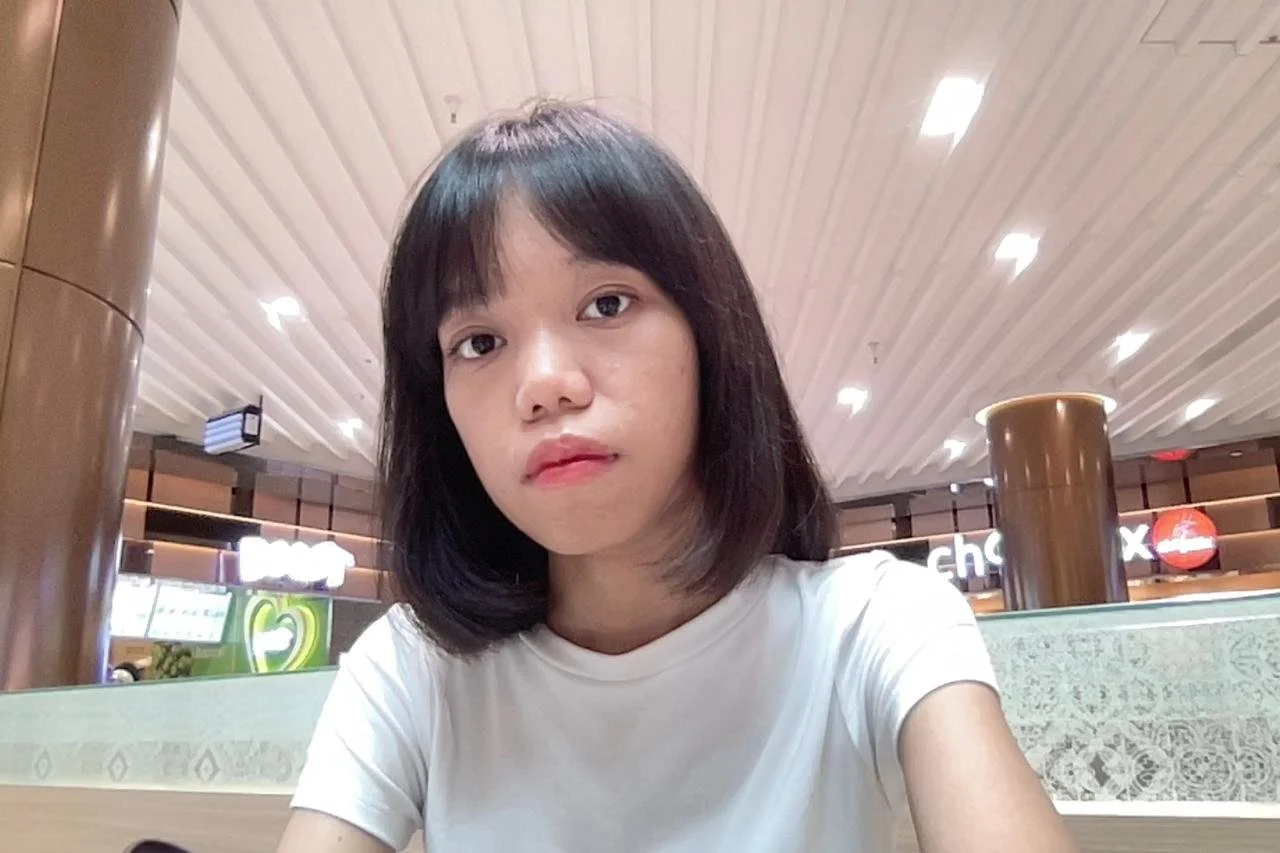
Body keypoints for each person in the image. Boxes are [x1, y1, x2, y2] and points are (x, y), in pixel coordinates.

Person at [279, 102, 1076, 853]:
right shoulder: (414, 670)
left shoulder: (873, 625)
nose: (545, 384)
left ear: (709, 337)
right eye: (480, 343)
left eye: (607, 303)